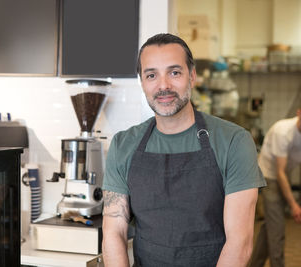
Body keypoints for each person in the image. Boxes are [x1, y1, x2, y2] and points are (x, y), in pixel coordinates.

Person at [101, 33, 266, 267]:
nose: (163, 85)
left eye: (174, 72)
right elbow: (114, 232)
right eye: (151, 75)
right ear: (143, 82)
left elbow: (241, 242)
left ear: (192, 77)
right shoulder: (123, 145)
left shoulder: (234, 141)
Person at [249, 109, 301, 267]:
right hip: (269, 177)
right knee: (277, 229)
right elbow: (279, 172)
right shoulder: (283, 132)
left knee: (271, 227)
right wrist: (294, 206)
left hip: (284, 174)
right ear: (299, 112)